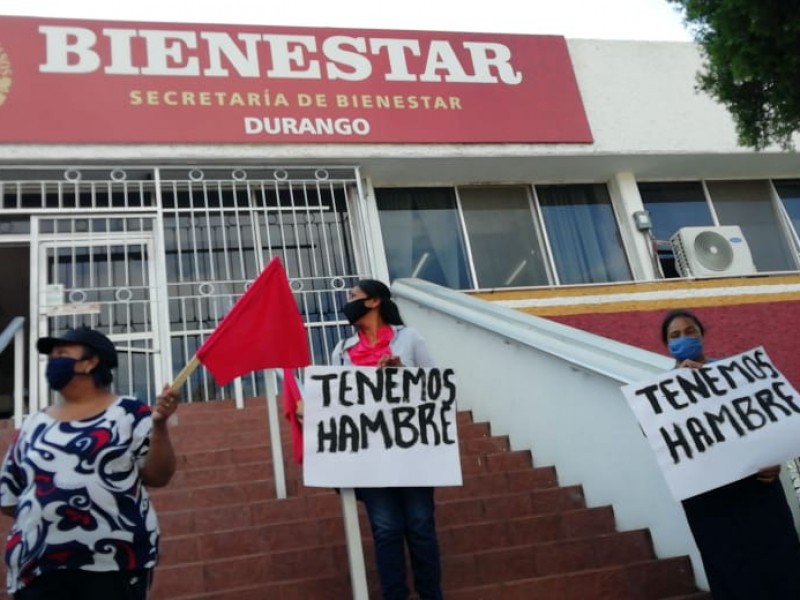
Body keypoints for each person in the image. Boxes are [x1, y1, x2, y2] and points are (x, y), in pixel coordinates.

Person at [0, 327, 179, 600]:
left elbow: (158, 476)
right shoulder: (33, 425)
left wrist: (159, 426)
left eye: (62, 353)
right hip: (38, 567)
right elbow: (10, 495)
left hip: (115, 565)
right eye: (51, 355)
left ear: (90, 362)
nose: (53, 360)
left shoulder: (131, 413)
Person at [660, 309, 800, 600]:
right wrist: (683, 386)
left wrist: (774, 460)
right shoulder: (660, 395)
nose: (684, 338)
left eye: (690, 332)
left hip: (757, 486)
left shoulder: (737, 373)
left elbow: (768, 423)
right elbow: (662, 441)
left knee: (782, 561)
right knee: (731, 569)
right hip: (710, 500)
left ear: (702, 336)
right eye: (675, 336)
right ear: (667, 346)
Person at [329, 279, 443, 600]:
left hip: (413, 450)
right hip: (369, 455)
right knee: (386, 529)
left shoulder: (410, 339)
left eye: (353, 296)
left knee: (420, 526)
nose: (347, 302)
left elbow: (437, 387)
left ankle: (431, 595)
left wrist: (402, 371)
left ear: (374, 301)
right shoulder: (342, 351)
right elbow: (338, 402)